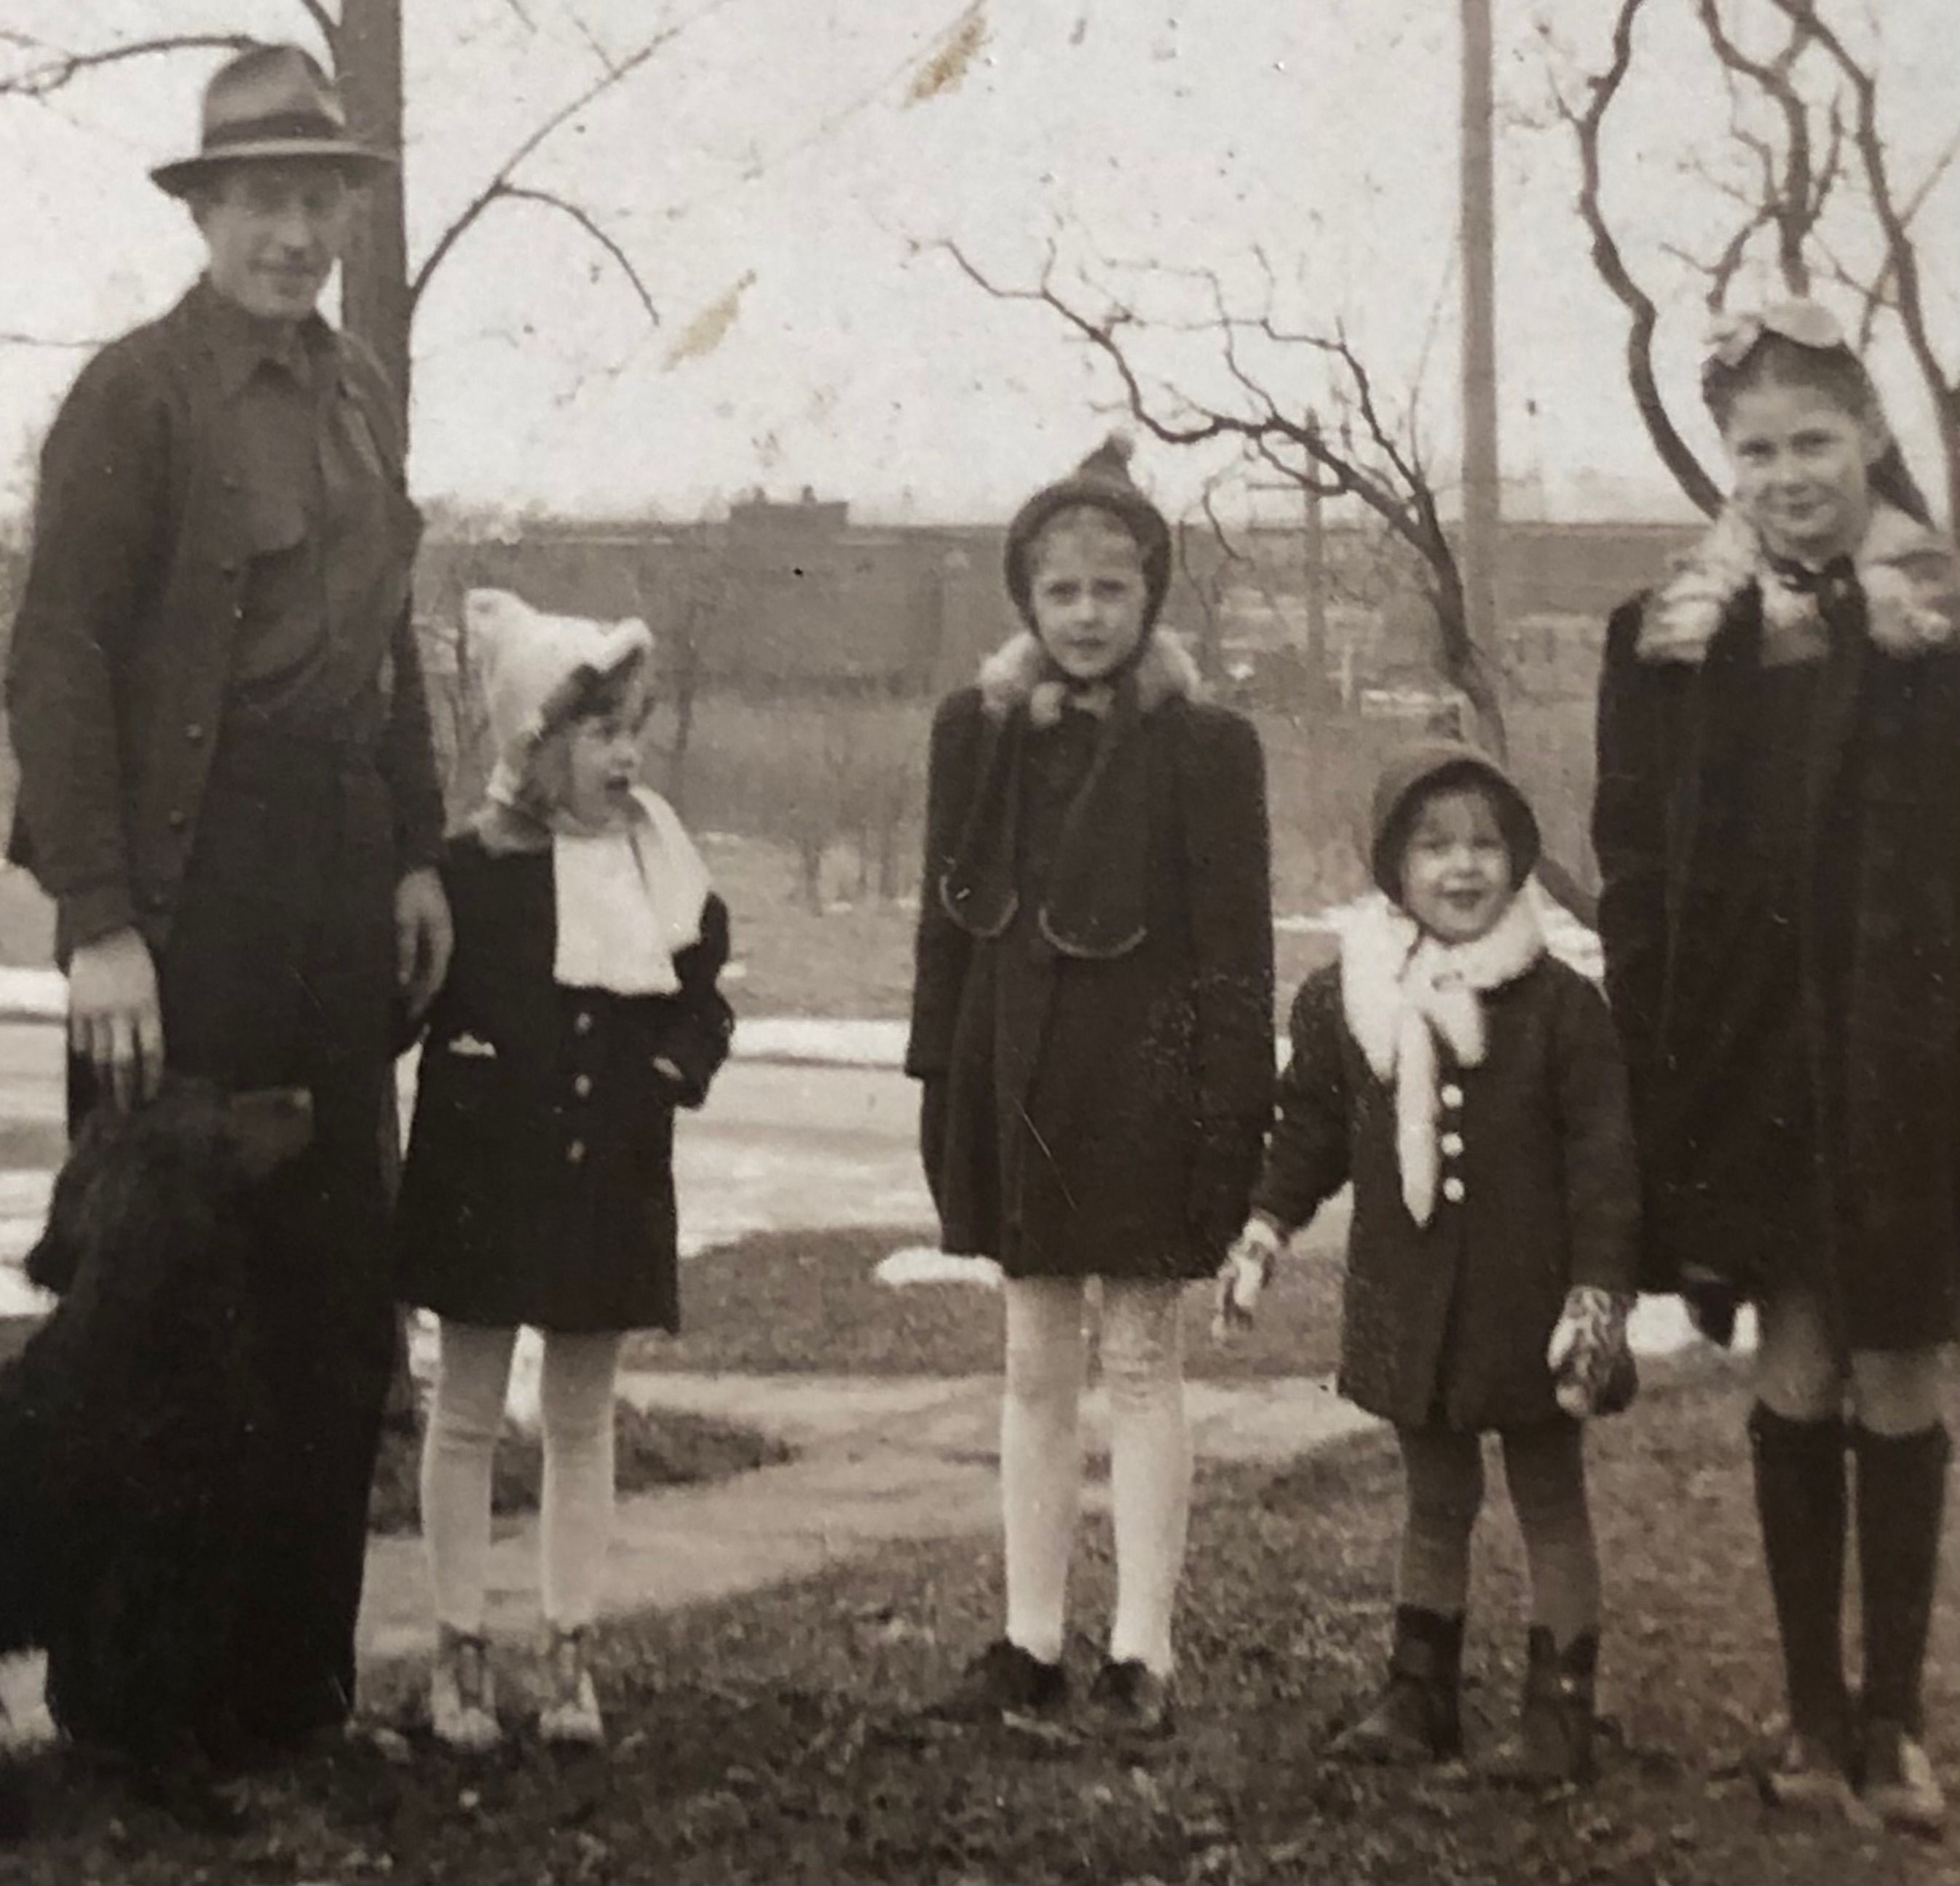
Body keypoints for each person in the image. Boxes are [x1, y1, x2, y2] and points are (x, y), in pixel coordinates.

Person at [4, 43, 451, 1760]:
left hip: (339, 887)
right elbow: (58, 663)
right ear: (205, 213)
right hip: (185, 902)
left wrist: (412, 848)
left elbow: (389, 653)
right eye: (260, 199)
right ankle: (141, 1717)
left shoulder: (357, 395)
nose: (293, 231)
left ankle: (292, 1699)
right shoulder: (135, 398)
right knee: (161, 1333)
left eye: (317, 198)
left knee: (334, 1309)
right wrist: (99, 915)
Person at [1592, 298, 1960, 1832]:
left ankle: (1894, 1726)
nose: (1785, 472)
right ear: (1721, 463)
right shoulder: (1669, 639)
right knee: (1795, 1361)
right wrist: (1656, 1055)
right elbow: (1630, 862)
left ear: (1870, 437)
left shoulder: (1940, 626)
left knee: (1900, 1362)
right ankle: (1808, 1716)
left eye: (1812, 440)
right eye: (1755, 448)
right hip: (1752, 1061)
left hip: (1916, 1058)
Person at [905, 437, 1274, 1735]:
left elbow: (1238, 955)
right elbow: (947, 927)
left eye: (1112, 590)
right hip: (1016, 1088)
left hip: (1146, 1098)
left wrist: (1236, 1119)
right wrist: (938, 1082)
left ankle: (1142, 1653)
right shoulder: (979, 732)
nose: (1085, 616)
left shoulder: (1207, 747)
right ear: (1026, 599)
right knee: (1030, 1361)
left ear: (1151, 597)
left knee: (1142, 1359)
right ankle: (1029, 1639)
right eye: (1060, 592)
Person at [1219, 744, 1638, 1785]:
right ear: (1392, 867)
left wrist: (1597, 1296)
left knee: (1549, 1494)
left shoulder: (1560, 1009)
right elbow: (1308, 1130)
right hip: (1414, 1301)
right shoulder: (1347, 1000)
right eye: (1434, 846)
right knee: (1434, 1496)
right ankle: (1420, 1694)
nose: (1463, 868)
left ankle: (1562, 1710)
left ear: (1521, 860)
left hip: (1533, 1303)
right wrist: (1266, 1228)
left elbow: (1605, 1169)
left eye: (1487, 845)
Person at [394, 590, 734, 1751]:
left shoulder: (661, 868)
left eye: (633, 728)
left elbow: (703, 1006)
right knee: (470, 1412)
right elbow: (410, 1000)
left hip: (610, 1179)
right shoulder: (469, 871)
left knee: (583, 1420)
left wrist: (675, 1073)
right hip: (484, 1176)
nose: (626, 754)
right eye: (599, 733)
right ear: (535, 749)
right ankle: (457, 1649)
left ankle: (570, 1651)